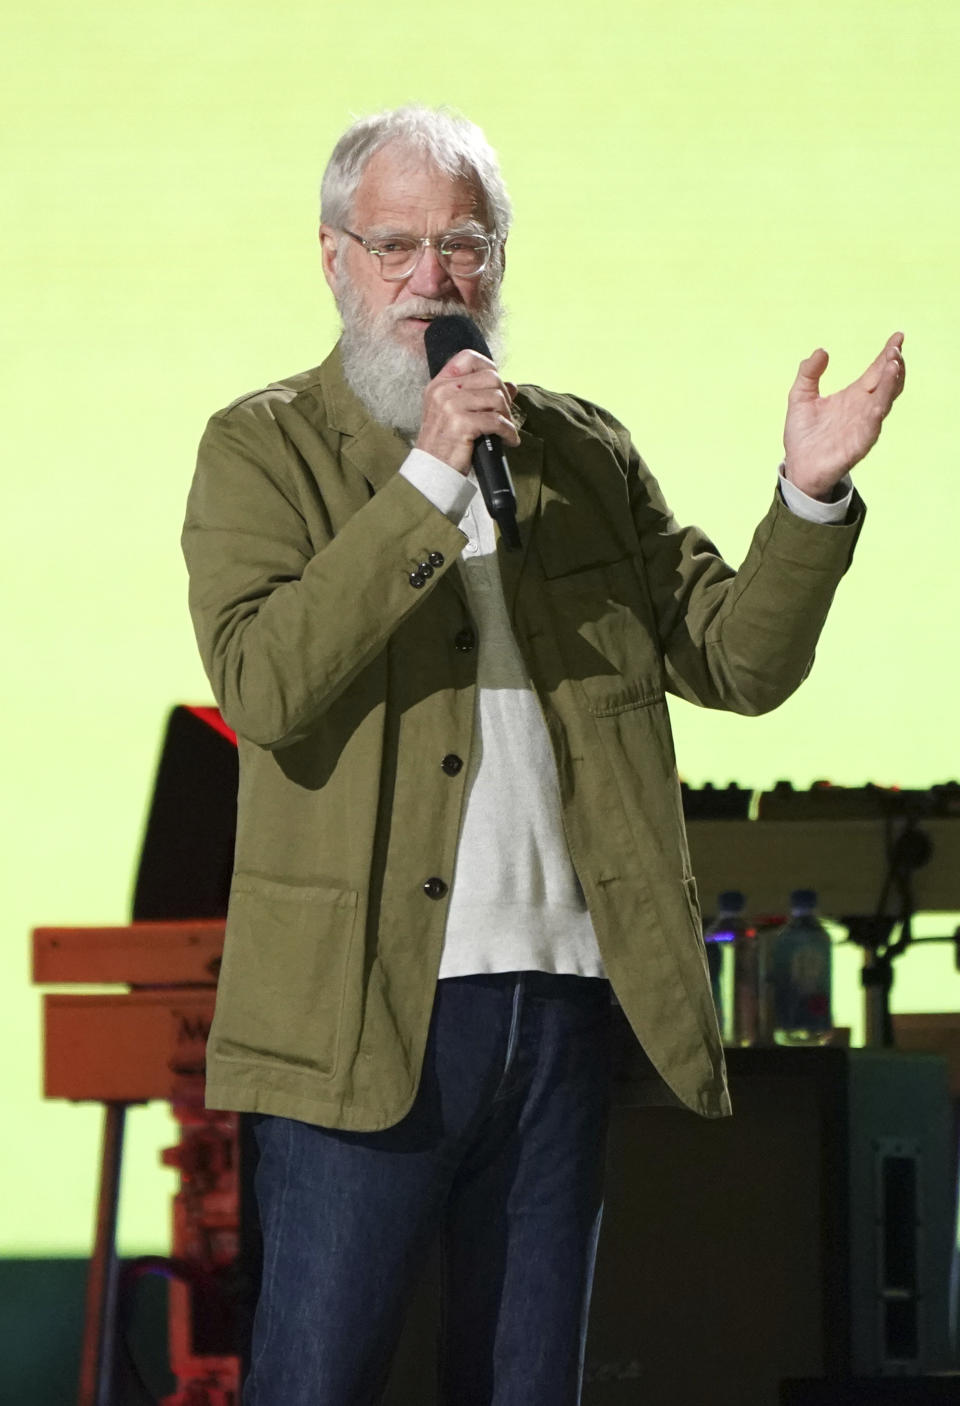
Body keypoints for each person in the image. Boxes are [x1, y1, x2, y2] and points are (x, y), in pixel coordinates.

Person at [181, 105, 904, 1406]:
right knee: (317, 1380)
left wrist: (810, 498)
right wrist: (427, 480)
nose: (432, 278)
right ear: (336, 259)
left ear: (498, 262)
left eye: (463, 243)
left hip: (564, 1008)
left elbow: (737, 658)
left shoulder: (577, 451)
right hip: (361, 1015)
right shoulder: (264, 447)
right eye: (396, 244)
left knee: (526, 1385)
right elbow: (265, 683)